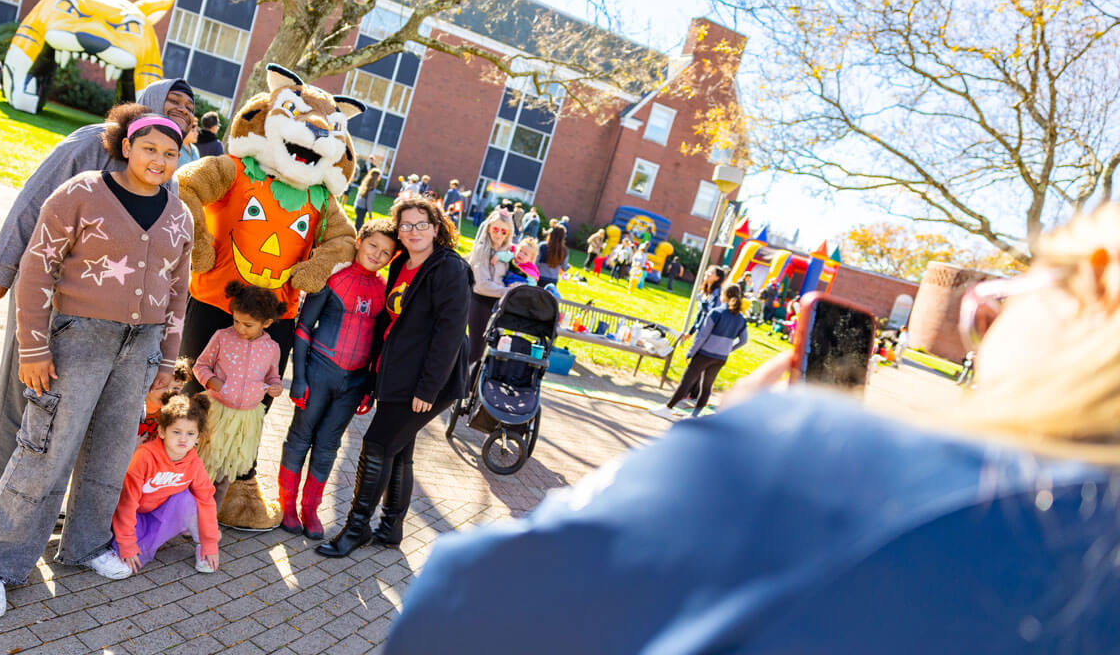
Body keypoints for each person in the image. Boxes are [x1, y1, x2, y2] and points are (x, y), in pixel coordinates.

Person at [388, 203, 1120, 655]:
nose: (983, 315)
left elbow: (460, 610)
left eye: (1029, 280)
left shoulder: (808, 467)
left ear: (1095, 286)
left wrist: (726, 452)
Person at [0, 107, 193, 619]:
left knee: (112, 451)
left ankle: (85, 546)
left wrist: (166, 362)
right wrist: (34, 348)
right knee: (46, 451)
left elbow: (179, 293)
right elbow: (37, 268)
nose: (159, 160)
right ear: (126, 146)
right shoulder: (82, 192)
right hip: (77, 341)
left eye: (171, 153)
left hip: (141, 347)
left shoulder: (179, 213)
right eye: (149, 148)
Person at [316, 196, 472, 557]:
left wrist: (428, 388)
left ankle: (356, 529)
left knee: (378, 445)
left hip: (428, 380)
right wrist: (374, 376)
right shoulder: (401, 262)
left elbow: (449, 335)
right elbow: (389, 322)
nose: (413, 231)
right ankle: (390, 528)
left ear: (436, 228)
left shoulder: (448, 269)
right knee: (399, 451)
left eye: (421, 224)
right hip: (398, 373)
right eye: (406, 225)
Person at [281, 219, 397, 540]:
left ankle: (310, 509)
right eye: (373, 245)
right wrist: (299, 378)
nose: (377, 254)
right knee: (300, 437)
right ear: (359, 241)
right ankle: (288, 506)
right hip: (318, 371)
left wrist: (369, 388)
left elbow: (379, 344)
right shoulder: (333, 278)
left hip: (354, 383)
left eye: (386, 252)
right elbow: (303, 329)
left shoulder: (384, 290)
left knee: (328, 445)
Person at [192, 282, 286, 508]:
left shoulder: (272, 349)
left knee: (225, 472)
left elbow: (273, 376)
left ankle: (209, 519)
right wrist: (215, 383)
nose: (240, 328)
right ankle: (187, 514)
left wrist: (276, 386)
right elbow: (201, 365)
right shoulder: (223, 337)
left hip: (244, 421)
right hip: (217, 413)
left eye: (248, 325)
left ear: (267, 323)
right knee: (203, 466)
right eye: (236, 321)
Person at [112, 392, 220, 575]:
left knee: (190, 499)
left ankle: (202, 545)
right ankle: (124, 540)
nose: (183, 439)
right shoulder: (144, 457)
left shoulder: (193, 463)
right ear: (162, 431)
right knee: (124, 562)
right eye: (176, 432)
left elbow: (206, 500)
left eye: (190, 433)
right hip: (133, 514)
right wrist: (127, 543)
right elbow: (127, 502)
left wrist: (210, 543)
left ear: (197, 438)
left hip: (159, 511)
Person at [651, 283, 748, 418]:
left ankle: (668, 408)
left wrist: (690, 352)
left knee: (687, 381)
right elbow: (743, 340)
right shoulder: (741, 319)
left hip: (704, 354)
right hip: (721, 358)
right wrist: (728, 349)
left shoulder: (716, 313)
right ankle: (694, 416)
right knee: (707, 386)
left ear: (724, 295)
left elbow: (702, 336)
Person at [466, 208, 515, 367]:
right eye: (495, 229)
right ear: (488, 228)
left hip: (498, 306)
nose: (499, 234)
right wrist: (508, 291)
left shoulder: (507, 253)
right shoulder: (481, 249)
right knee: (475, 351)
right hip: (479, 303)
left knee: (488, 354)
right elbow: (482, 286)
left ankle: (472, 390)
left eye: (504, 231)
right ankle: (452, 388)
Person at [535, 224, 571, 294]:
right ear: (563, 237)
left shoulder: (542, 246)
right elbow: (564, 268)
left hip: (539, 277)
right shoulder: (564, 250)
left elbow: (535, 262)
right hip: (553, 280)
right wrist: (568, 266)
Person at [691, 266, 727, 333]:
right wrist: (692, 331)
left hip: (712, 333)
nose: (707, 273)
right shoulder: (703, 292)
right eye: (707, 271)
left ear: (717, 278)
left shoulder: (718, 295)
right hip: (701, 330)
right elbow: (700, 313)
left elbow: (713, 315)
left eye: (711, 272)